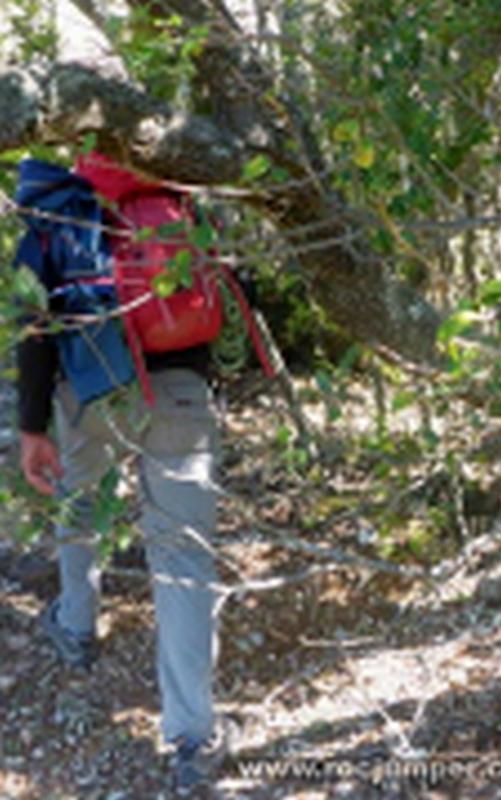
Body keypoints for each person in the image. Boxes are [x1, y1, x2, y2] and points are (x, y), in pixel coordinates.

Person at [16, 171, 222, 791]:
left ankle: (77, 625)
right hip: (181, 389)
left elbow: (35, 327)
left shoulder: (55, 212)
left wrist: (32, 427)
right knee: (183, 552)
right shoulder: (176, 191)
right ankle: (192, 735)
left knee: (79, 500)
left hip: (90, 391)